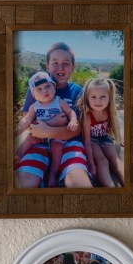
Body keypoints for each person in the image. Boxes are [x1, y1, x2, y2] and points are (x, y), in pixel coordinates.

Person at [14, 43, 92, 189]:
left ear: (73, 67)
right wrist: (52, 122)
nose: (60, 68)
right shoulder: (35, 90)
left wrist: (50, 131)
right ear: (47, 66)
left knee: (77, 178)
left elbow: (79, 128)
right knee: (26, 180)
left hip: (69, 142)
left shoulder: (78, 92)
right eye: (55, 63)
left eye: (66, 63)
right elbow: (28, 122)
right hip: (39, 142)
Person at [15, 71, 80, 187]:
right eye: (39, 89)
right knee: (29, 140)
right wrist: (15, 131)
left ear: (54, 88)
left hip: (56, 135)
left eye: (47, 86)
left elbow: (70, 112)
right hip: (40, 136)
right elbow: (26, 120)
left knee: (57, 148)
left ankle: (53, 174)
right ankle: (17, 157)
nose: (44, 90)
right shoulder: (34, 107)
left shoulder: (59, 102)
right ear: (33, 95)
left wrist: (73, 121)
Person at [78, 77, 124, 188]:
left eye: (103, 96)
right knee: (102, 161)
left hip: (105, 138)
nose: (98, 101)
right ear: (87, 98)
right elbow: (87, 140)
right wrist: (91, 164)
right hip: (92, 141)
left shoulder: (110, 112)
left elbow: (115, 126)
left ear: (109, 97)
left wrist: (122, 139)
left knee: (115, 160)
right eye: (93, 97)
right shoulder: (87, 116)